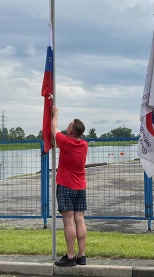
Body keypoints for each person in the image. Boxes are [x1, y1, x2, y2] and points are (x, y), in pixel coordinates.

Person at [51, 106, 89, 267]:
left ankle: (70, 256)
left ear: (71, 131)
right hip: (80, 186)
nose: (67, 126)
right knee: (80, 219)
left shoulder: (65, 142)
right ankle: (82, 255)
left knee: (69, 222)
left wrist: (55, 114)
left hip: (66, 185)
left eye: (69, 125)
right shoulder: (84, 145)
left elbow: (53, 128)